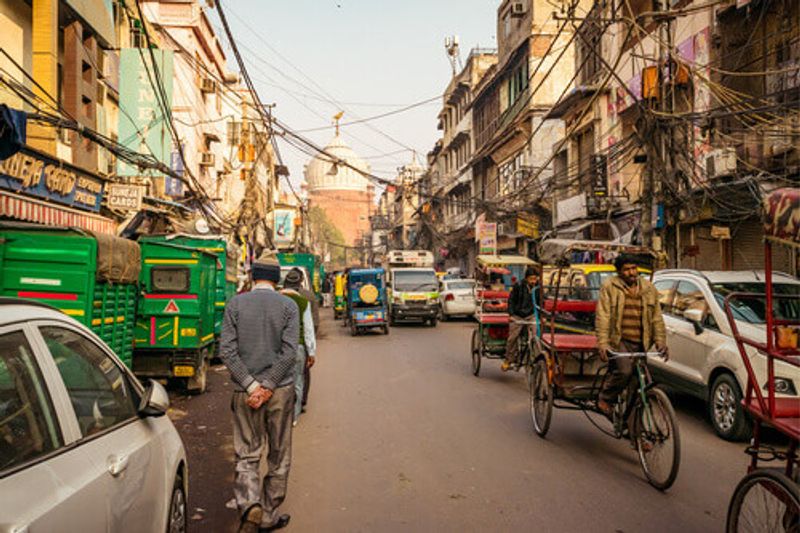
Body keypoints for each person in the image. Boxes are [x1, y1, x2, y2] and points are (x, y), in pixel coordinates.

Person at [220, 252, 299, 533]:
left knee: (247, 453)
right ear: (276, 280)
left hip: (244, 392)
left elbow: (226, 350)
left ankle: (249, 504)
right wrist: (268, 386)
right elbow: (291, 352)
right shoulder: (289, 306)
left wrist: (252, 386)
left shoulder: (236, 304)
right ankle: (266, 514)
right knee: (279, 455)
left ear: (253, 276)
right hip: (280, 390)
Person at [595, 254, 668, 416]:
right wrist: (603, 342)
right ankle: (605, 397)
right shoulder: (610, 286)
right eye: (627, 269)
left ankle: (634, 432)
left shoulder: (648, 288)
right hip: (619, 340)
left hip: (641, 342)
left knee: (637, 388)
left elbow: (656, 317)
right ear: (619, 272)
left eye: (633, 268)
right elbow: (603, 315)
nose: (631, 272)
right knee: (624, 372)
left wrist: (660, 340)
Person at [281, 269, 317, 426]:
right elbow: (308, 328)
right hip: (298, 346)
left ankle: (280, 414)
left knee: (280, 383)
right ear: (299, 284)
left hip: (279, 348)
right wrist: (312, 352)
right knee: (298, 382)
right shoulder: (303, 301)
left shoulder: (277, 299)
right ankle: (294, 417)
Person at [502, 267, 539, 371]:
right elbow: (511, 300)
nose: (533, 281)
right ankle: (508, 359)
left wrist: (541, 317)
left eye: (535, 279)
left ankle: (536, 356)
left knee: (537, 335)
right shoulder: (518, 286)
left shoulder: (538, 288)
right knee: (512, 338)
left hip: (531, 315)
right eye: (531, 279)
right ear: (526, 278)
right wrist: (511, 315)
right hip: (518, 315)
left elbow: (541, 302)